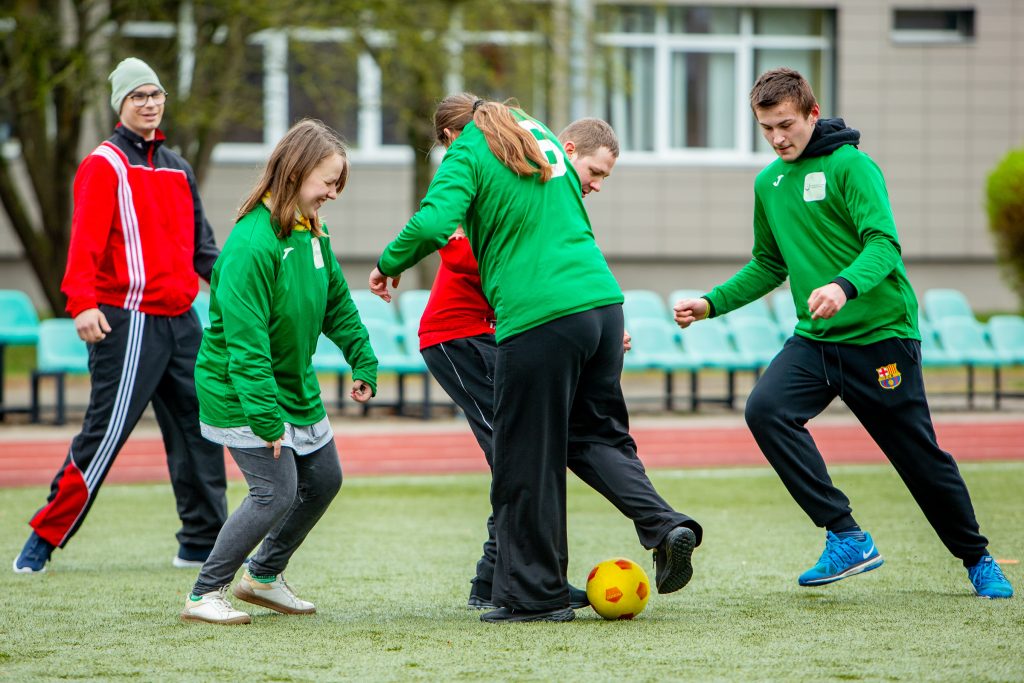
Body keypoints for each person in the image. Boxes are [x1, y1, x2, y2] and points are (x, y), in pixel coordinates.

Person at [673, 67, 1013, 599]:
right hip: (814, 341)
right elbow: (768, 264)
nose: (778, 138)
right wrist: (710, 303)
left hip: (880, 335)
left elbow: (883, 244)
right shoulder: (769, 182)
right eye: (766, 129)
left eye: (786, 124)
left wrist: (842, 286)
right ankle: (846, 534)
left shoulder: (852, 166)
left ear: (812, 113)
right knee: (765, 410)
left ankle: (977, 558)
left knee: (917, 458)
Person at [371, 94, 702, 623]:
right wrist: (590, 313)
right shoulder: (540, 140)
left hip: (537, 317)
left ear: (453, 136)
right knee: (595, 436)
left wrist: (388, 263)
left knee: (523, 454)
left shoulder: (471, 148)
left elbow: (436, 223)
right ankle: (663, 527)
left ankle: (533, 595)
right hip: (602, 305)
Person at [416, 118, 648, 611]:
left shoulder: (538, 190)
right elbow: (459, 253)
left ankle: (503, 579)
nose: (597, 186)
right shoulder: (487, 179)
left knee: (524, 453)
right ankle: (515, 580)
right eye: (595, 172)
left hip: (502, 335)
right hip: (456, 336)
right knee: (517, 454)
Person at [13, 57, 228, 573]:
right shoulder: (103, 164)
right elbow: (84, 243)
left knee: (204, 428)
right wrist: (82, 303)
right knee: (106, 432)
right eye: (139, 97)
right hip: (127, 321)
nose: (150, 104)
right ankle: (45, 537)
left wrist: (241, 287)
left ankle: (201, 542)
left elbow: (203, 250)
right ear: (121, 106)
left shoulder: (178, 167)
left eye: (156, 95)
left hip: (182, 321)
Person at [179, 119, 378, 625]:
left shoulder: (313, 230)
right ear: (296, 171)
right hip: (241, 389)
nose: (333, 194)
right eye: (328, 182)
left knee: (325, 478)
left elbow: (336, 301)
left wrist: (363, 357)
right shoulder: (251, 245)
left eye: (337, 185)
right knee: (275, 491)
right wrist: (267, 422)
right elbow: (245, 349)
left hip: (292, 383)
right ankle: (205, 593)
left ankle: (263, 577)